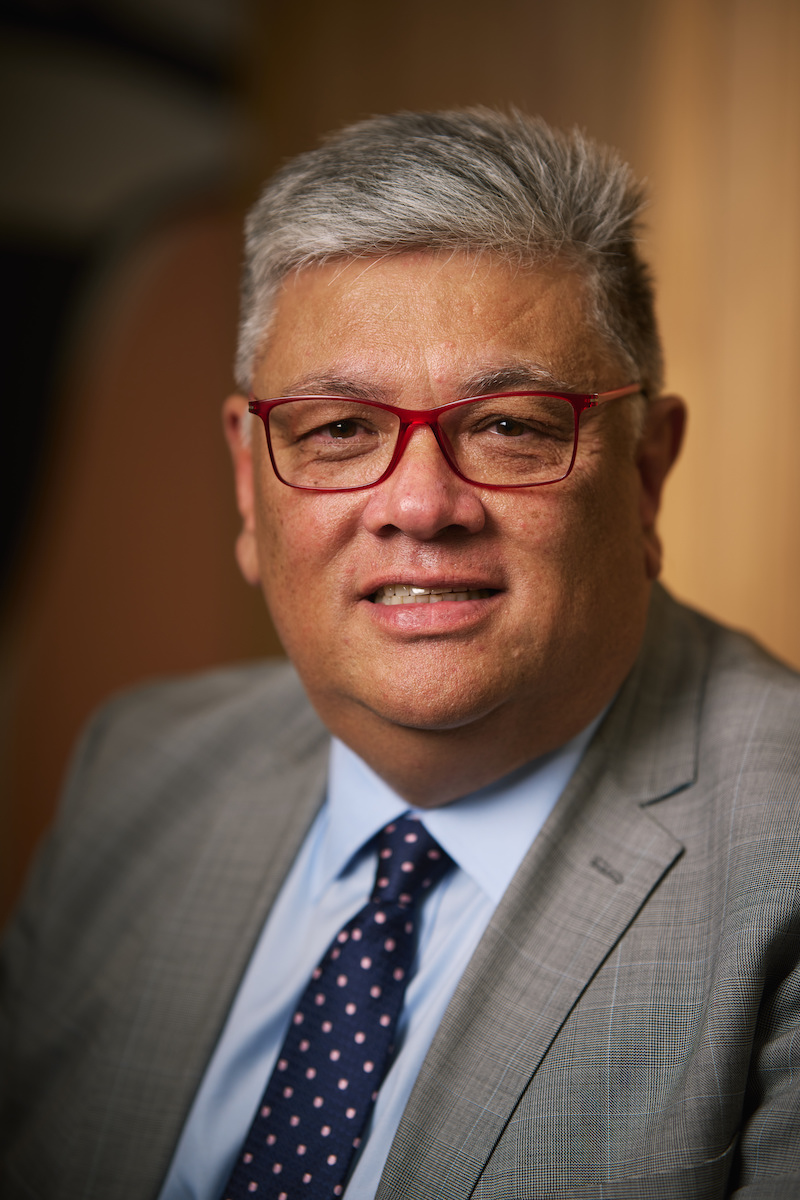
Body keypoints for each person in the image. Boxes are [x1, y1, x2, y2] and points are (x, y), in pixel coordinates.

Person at [1, 109, 799, 1200]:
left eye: (510, 425)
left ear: (646, 472)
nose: (419, 505)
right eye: (337, 431)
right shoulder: (140, 768)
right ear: (248, 483)